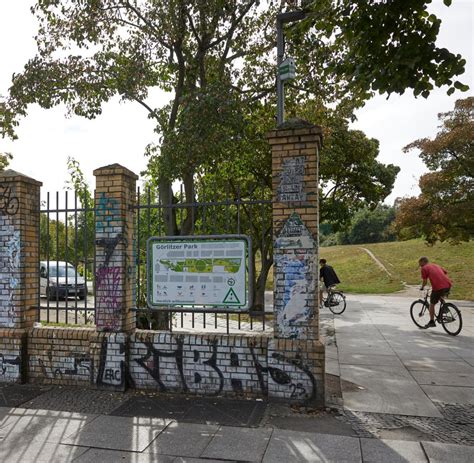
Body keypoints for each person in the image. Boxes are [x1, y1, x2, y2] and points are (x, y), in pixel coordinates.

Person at [419, 256, 452, 329]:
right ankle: (445, 308)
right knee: (440, 295)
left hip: (438, 287)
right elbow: (445, 272)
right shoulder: (436, 265)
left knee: (432, 304)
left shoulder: (424, 268)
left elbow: (424, 281)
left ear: (423, 261)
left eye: (420, 263)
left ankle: (432, 322)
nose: (420, 265)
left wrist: (422, 287)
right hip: (448, 284)